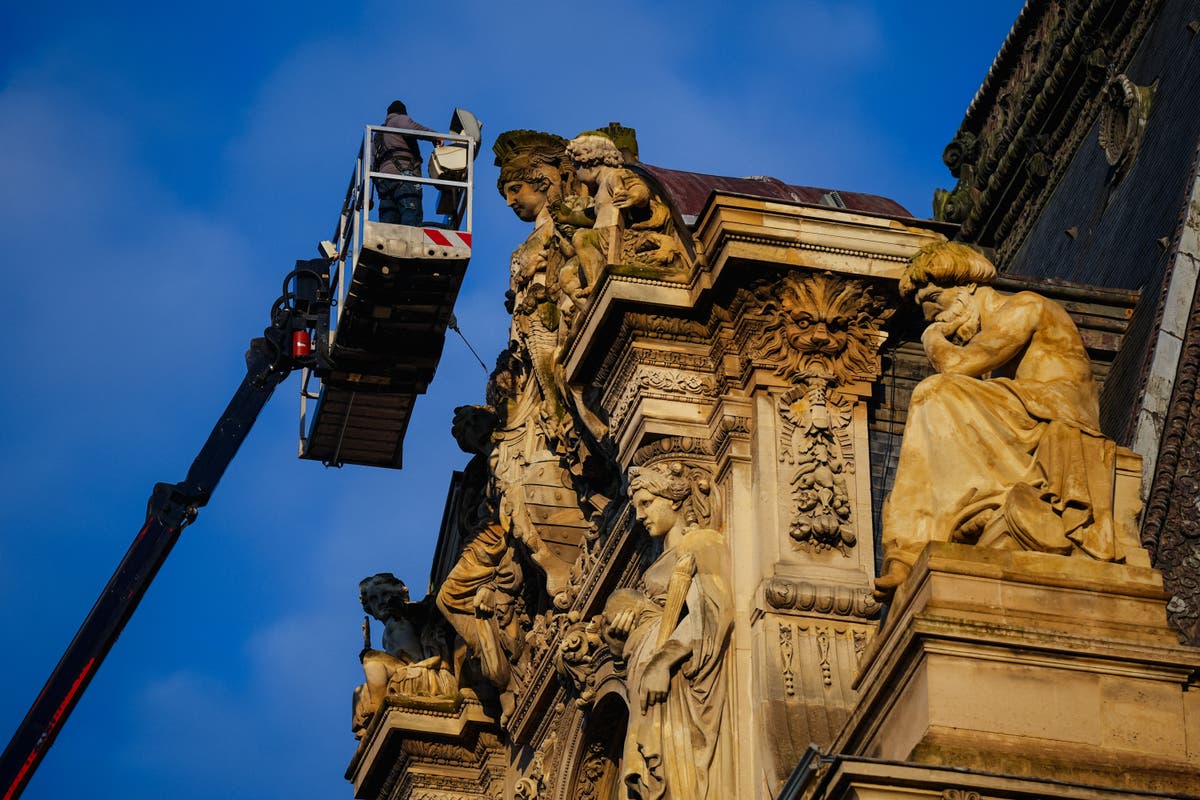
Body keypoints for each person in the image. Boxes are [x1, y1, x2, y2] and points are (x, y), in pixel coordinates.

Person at [874, 241, 1124, 598]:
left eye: (933, 301)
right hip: (1023, 412)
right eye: (927, 313)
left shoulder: (1026, 305)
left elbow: (956, 366)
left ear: (968, 285)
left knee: (936, 393)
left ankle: (914, 546)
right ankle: (913, 547)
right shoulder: (991, 364)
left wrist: (932, 340)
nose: (932, 318)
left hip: (1056, 412)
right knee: (940, 420)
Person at [601, 462, 734, 800]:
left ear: (674, 499)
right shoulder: (662, 562)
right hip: (653, 688)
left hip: (678, 683)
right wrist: (622, 638)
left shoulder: (700, 544)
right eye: (636, 507)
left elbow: (713, 611)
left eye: (647, 503)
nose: (641, 515)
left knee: (680, 775)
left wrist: (662, 661)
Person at [374, 100, 434, 226]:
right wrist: (435, 136)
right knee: (410, 227)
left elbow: (371, 164)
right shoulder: (399, 120)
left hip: (384, 185)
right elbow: (412, 128)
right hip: (404, 178)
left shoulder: (378, 134)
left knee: (388, 230)